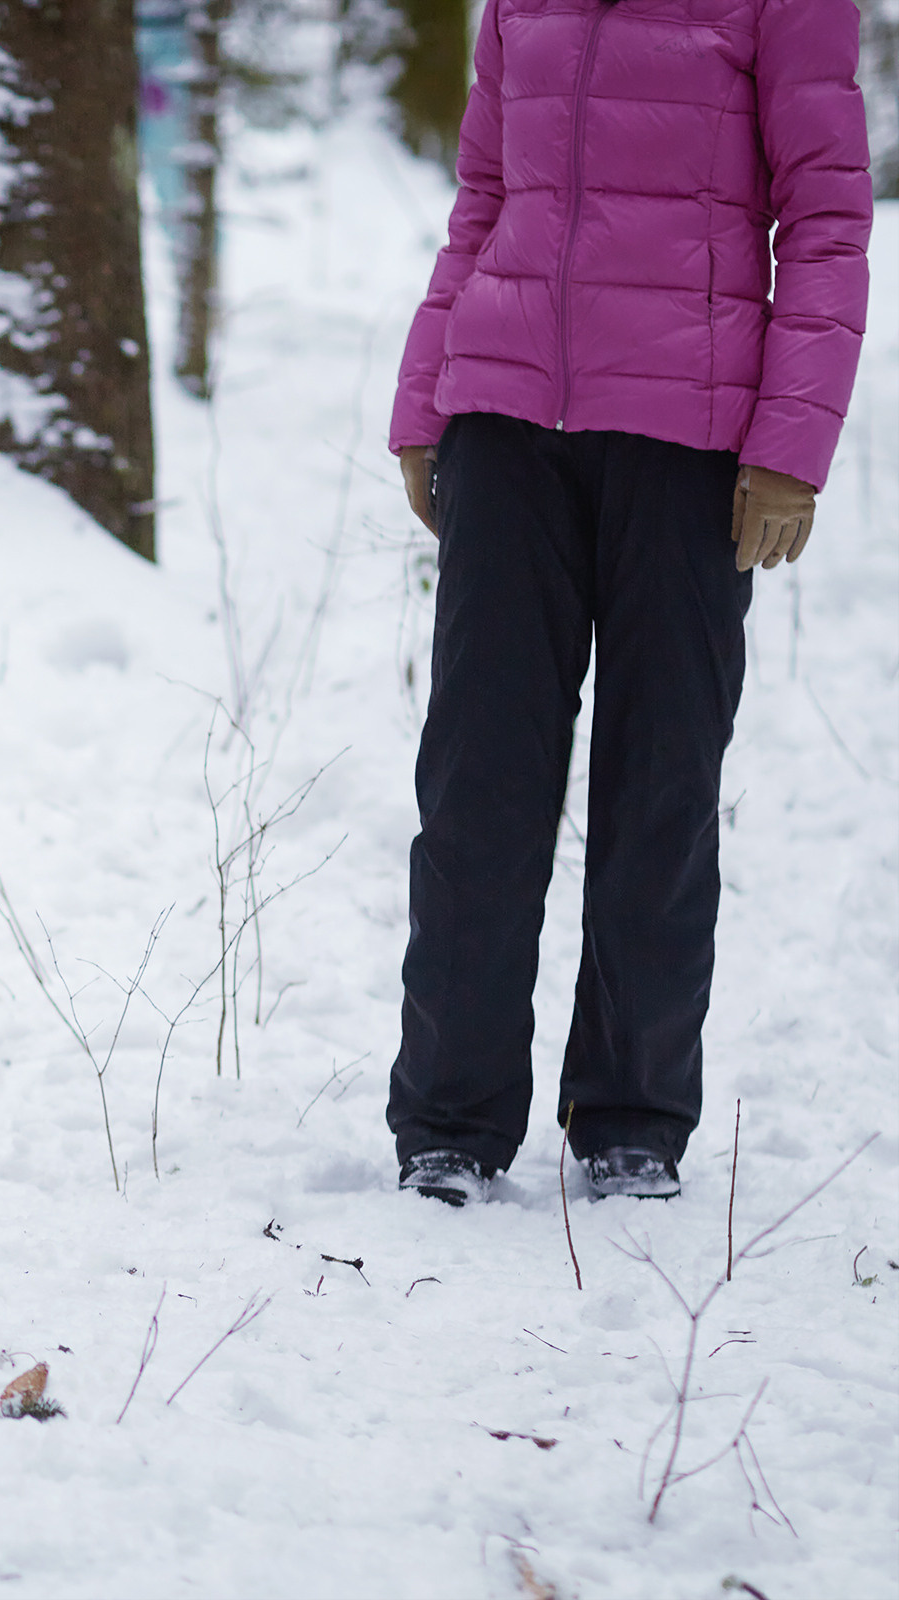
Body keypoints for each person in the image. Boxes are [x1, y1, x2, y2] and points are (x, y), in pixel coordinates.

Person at [383, 1, 869, 1205]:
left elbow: (824, 218)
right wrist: (424, 401)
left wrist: (792, 446)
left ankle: (632, 1118)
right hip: (504, 428)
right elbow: (484, 202)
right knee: (477, 780)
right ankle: (449, 1116)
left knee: (662, 785)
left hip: (691, 441)